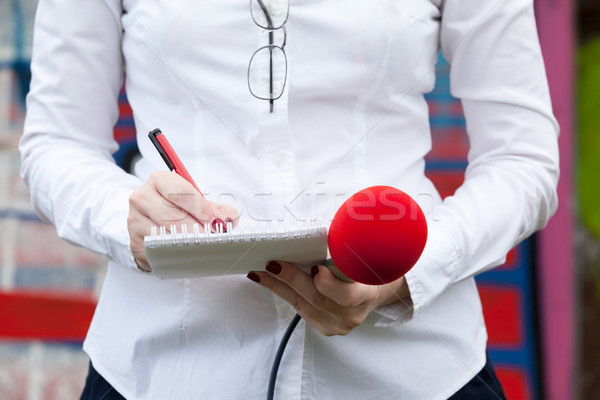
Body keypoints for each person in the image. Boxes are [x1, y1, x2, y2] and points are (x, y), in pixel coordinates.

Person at [20, 0, 559, 399]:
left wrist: (409, 274)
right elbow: (56, 144)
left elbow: (523, 162)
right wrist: (126, 220)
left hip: (415, 373)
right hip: (162, 369)